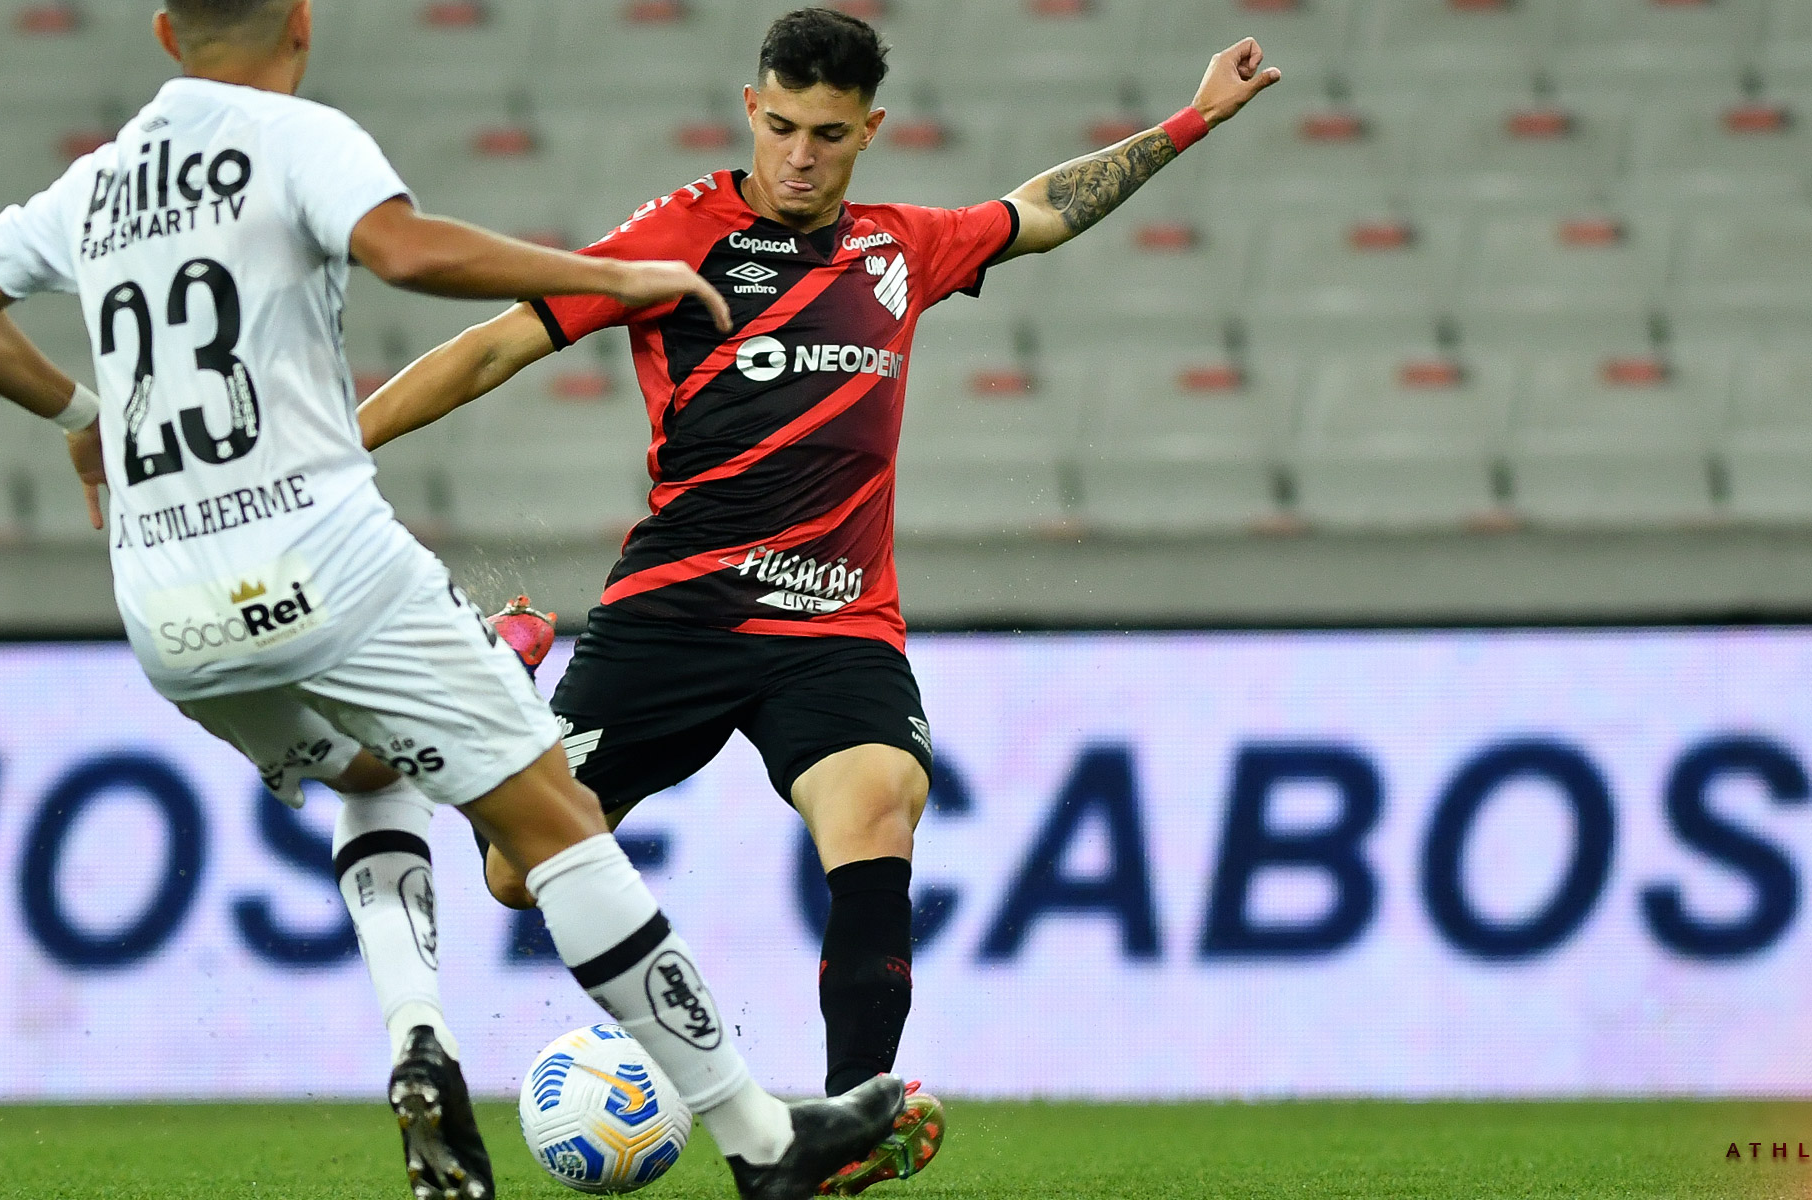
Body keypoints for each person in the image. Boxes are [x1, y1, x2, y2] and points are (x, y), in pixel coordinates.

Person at [0, 3, 908, 1197]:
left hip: (165, 602)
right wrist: (615, 273)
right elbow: (412, 255)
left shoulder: (97, 183)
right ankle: (759, 1140)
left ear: (168, 33)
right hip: (316, 553)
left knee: (371, 774)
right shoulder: (294, 137)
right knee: (555, 830)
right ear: (299, 22)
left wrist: (86, 426)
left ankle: (417, 1040)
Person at [359, 7, 1283, 1193]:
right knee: (512, 873)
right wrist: (341, 439)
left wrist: (1193, 119)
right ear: (752, 108)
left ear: (869, 132)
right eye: (783, 126)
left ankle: (850, 1124)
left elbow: (1043, 209)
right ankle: (508, 665)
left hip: (834, 621)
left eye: (829, 135)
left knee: (881, 804)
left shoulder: (903, 247)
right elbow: (498, 345)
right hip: (675, 610)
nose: (800, 155)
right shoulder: (676, 238)